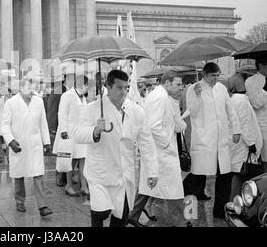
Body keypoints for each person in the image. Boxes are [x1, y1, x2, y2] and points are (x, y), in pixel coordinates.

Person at [73, 70, 159, 227]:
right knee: (99, 213)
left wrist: (152, 171)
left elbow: (146, 142)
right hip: (100, 174)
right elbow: (78, 134)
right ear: (108, 87)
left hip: (124, 174)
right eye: (119, 88)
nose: (124, 92)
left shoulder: (136, 111)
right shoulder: (93, 109)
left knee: (121, 219)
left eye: (126, 88)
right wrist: (94, 131)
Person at [129, 71, 186, 227]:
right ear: (167, 83)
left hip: (158, 150)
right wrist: (167, 145)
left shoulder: (163, 96)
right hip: (161, 150)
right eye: (178, 84)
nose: (181, 88)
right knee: (173, 187)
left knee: (150, 185)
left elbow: (171, 122)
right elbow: (154, 126)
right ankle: (180, 221)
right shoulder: (159, 97)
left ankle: (133, 215)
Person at [184, 62, 241, 219]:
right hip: (204, 140)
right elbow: (192, 112)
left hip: (221, 140)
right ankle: (189, 213)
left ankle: (219, 211)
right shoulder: (194, 88)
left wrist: (236, 130)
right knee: (197, 177)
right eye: (212, 76)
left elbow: (230, 110)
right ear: (204, 74)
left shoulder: (221, 89)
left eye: (218, 75)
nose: (216, 79)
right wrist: (196, 95)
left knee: (225, 176)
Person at [1, 78, 53, 217]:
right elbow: (5, 125)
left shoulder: (39, 101)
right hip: (18, 143)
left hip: (35, 144)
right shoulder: (11, 103)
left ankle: (43, 206)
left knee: (38, 174)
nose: (31, 91)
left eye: (33, 88)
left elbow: (43, 123)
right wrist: (11, 141)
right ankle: (20, 201)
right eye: (28, 88)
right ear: (20, 88)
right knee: (19, 174)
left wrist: (46, 142)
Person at [53, 75, 89, 197]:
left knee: (83, 157)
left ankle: (84, 186)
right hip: (69, 131)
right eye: (86, 85)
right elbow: (61, 113)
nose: (87, 88)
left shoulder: (83, 97)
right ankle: (68, 185)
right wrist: (63, 130)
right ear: (81, 85)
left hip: (80, 131)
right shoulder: (67, 95)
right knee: (70, 160)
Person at [228, 73, 263, 200]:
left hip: (238, 145)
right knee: (240, 175)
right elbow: (245, 125)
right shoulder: (241, 101)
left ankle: (235, 202)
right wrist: (252, 144)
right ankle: (235, 203)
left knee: (240, 174)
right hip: (244, 146)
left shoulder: (234, 100)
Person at [245, 57, 267, 173]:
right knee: (263, 164)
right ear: (262, 65)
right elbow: (256, 104)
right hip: (261, 128)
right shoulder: (251, 81)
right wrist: (265, 89)